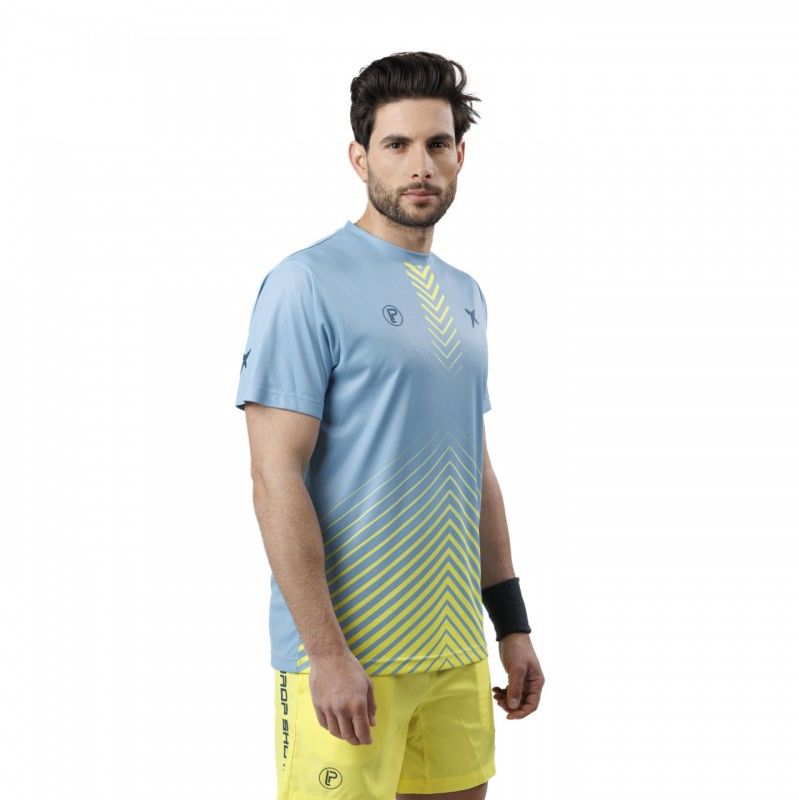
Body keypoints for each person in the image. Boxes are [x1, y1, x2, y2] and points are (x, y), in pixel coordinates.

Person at [235, 50, 544, 800]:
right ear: (359, 157)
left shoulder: (467, 294)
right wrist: (325, 652)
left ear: (460, 156)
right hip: (350, 658)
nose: (420, 166)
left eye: (437, 144)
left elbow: (474, 468)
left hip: (454, 647)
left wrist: (511, 624)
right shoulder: (305, 283)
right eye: (397, 144)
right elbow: (275, 477)